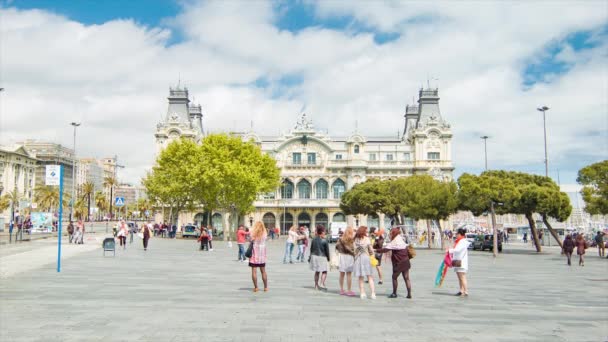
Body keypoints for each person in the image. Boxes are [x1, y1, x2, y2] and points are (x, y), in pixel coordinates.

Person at [375, 227, 412, 299]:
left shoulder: (394, 241)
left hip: (398, 263)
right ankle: (409, 294)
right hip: (406, 261)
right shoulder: (400, 238)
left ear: (394, 233)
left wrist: (375, 250)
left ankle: (394, 293)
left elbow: (385, 250)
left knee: (394, 277)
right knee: (406, 278)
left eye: (391, 233)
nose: (390, 234)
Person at [353, 226, 376, 299]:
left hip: (358, 259)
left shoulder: (355, 240)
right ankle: (373, 294)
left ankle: (362, 293)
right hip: (366, 258)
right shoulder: (367, 239)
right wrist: (372, 254)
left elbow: (354, 251)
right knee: (370, 276)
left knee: (360, 277)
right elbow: (371, 250)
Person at [448, 228, 470, 297]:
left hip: (461, 262)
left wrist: (449, 250)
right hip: (457, 261)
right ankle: (461, 290)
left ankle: (466, 291)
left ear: (460, 234)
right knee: (459, 277)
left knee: (462, 277)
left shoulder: (463, 242)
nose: (456, 235)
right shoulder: (458, 241)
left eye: (457, 234)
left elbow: (457, 250)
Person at [335, 226, 356, 296]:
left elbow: (337, 247)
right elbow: (354, 249)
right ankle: (349, 290)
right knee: (349, 274)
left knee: (341, 274)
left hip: (342, 257)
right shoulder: (352, 239)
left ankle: (341, 289)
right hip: (350, 257)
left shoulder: (341, 239)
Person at [309, 225, 330, 291]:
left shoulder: (313, 239)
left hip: (314, 256)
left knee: (317, 272)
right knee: (324, 271)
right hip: (322, 257)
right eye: (324, 231)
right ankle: (322, 283)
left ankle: (316, 285)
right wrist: (328, 259)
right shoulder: (324, 240)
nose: (325, 233)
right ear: (322, 232)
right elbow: (327, 251)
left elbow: (311, 249)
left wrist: (310, 257)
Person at [249, 221, 268, 292]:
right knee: (263, 271)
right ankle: (265, 287)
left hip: (254, 254)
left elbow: (250, 240)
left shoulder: (252, 233)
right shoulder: (264, 233)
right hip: (262, 255)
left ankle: (256, 287)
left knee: (254, 271)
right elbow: (265, 239)